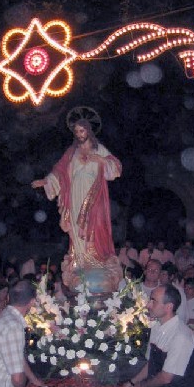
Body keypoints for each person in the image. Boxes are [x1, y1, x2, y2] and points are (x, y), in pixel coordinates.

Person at [31, 117, 122, 292]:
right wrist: (46, 181)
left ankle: (96, 259)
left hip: (94, 194)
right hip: (74, 195)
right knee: (76, 227)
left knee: (95, 226)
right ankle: (81, 260)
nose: (79, 134)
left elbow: (115, 167)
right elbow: (59, 171)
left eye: (82, 130)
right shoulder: (71, 152)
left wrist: (100, 160)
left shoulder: (98, 149)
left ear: (88, 131)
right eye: (76, 131)